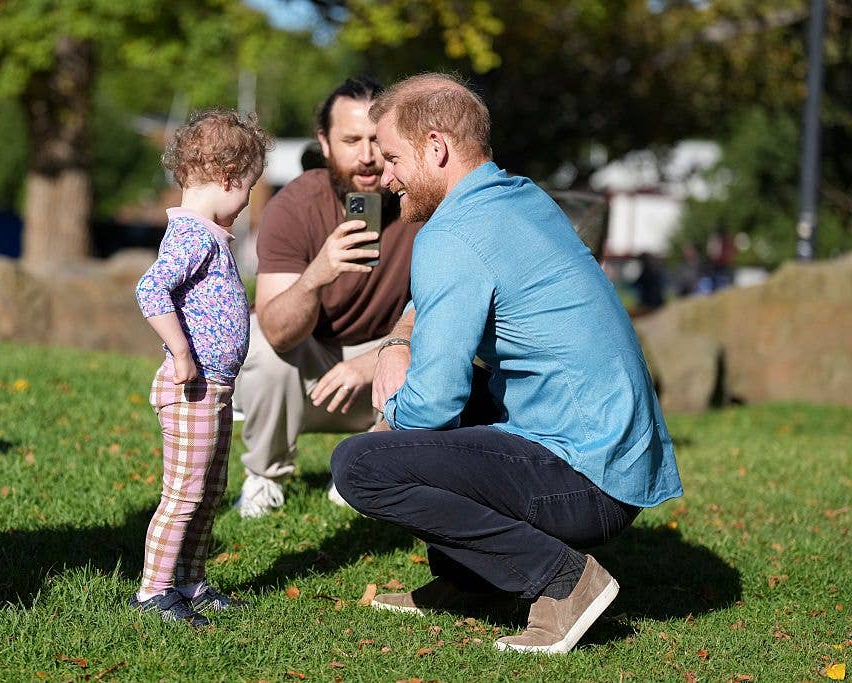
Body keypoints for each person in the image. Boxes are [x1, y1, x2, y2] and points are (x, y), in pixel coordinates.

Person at [330, 74, 683, 654]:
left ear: (436, 148)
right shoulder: (517, 198)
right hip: (616, 464)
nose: (384, 176)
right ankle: (470, 583)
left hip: (585, 479)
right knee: (463, 402)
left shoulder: (452, 233)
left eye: (392, 156)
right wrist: (398, 343)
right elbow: (436, 307)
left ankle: (565, 583)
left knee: (362, 467)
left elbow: (432, 407)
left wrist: (388, 422)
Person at [232, 77, 420, 518]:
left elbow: (444, 318)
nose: (368, 156)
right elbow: (277, 331)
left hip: (384, 366)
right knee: (262, 344)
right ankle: (265, 475)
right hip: (311, 372)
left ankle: (368, 467)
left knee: (448, 351)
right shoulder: (295, 205)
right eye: (352, 140)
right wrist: (317, 274)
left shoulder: (421, 204)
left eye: (378, 140)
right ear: (325, 142)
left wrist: (372, 361)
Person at [131, 110, 272, 626]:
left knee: (209, 494)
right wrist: (183, 354)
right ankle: (153, 591)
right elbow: (151, 289)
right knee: (184, 494)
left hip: (215, 387)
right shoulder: (191, 236)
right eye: (249, 189)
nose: (247, 201)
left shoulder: (207, 236)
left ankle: (189, 581)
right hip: (191, 384)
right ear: (230, 177)